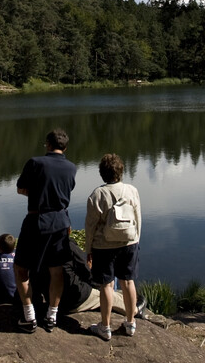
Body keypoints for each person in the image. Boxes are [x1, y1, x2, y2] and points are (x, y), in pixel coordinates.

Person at [14, 129, 77, 332]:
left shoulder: (35, 162)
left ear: (48, 145)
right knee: (56, 271)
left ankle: (29, 316)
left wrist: (38, 192)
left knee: (21, 268)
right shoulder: (71, 167)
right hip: (60, 222)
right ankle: (51, 316)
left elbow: (21, 188)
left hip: (36, 220)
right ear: (65, 147)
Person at [84, 153, 142, 341]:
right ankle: (131, 323)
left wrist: (88, 249)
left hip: (104, 245)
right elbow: (138, 218)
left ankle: (105, 327)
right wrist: (136, 239)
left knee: (107, 285)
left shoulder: (97, 195)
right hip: (129, 242)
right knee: (128, 282)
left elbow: (90, 226)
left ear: (102, 173)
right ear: (121, 172)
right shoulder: (132, 190)